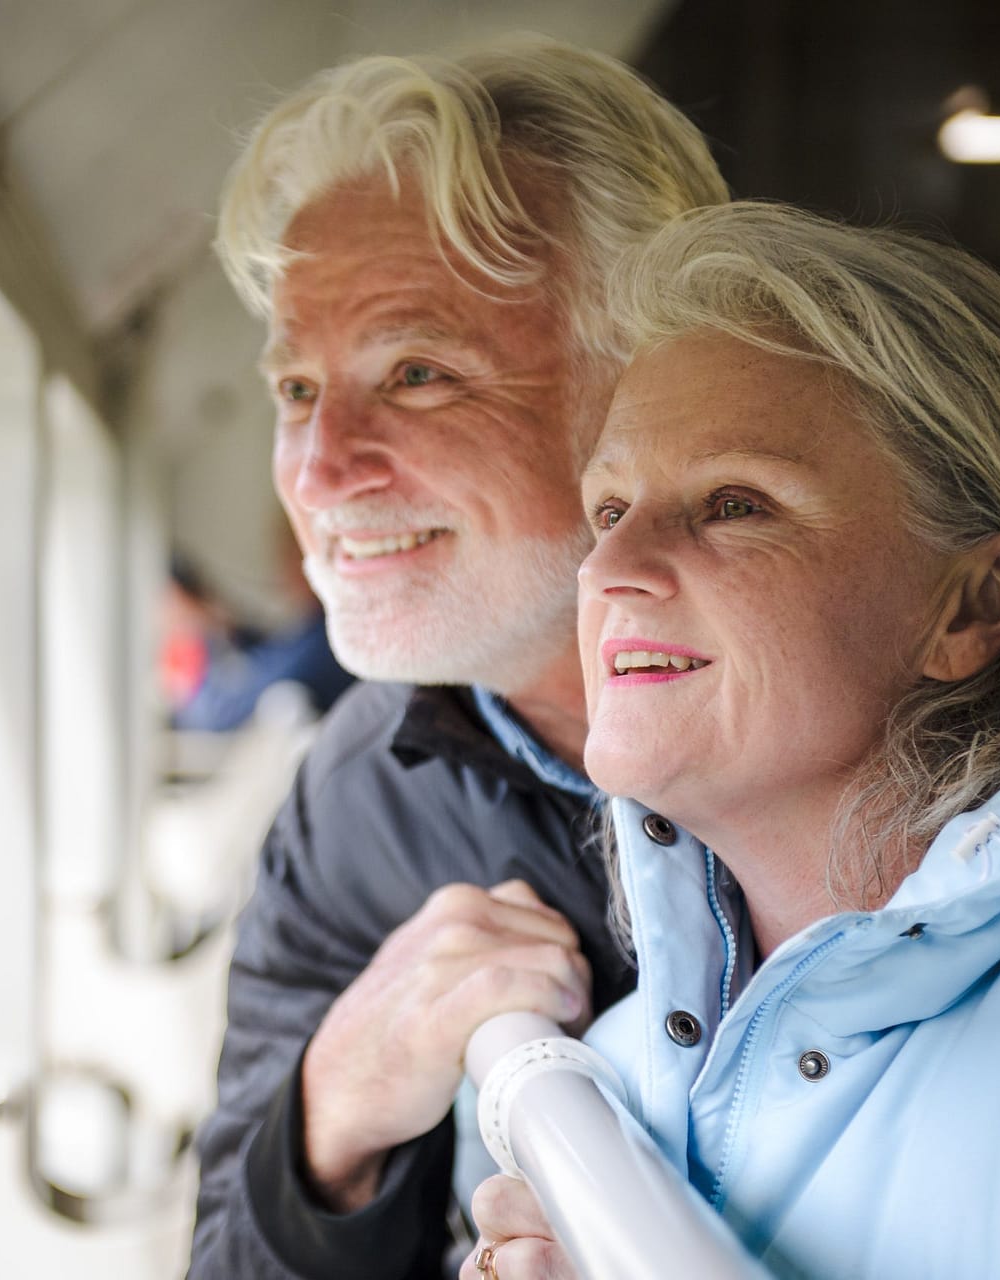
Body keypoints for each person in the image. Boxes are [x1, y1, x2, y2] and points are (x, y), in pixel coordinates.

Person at [466, 202, 1000, 1277]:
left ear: (977, 601)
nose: (611, 570)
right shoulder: (616, 1074)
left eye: (733, 503)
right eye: (609, 510)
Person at [190, 38, 727, 1279]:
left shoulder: (901, 721)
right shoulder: (361, 791)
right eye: (295, 388)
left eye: (416, 373)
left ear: (650, 378)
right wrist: (336, 1107)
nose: (318, 474)